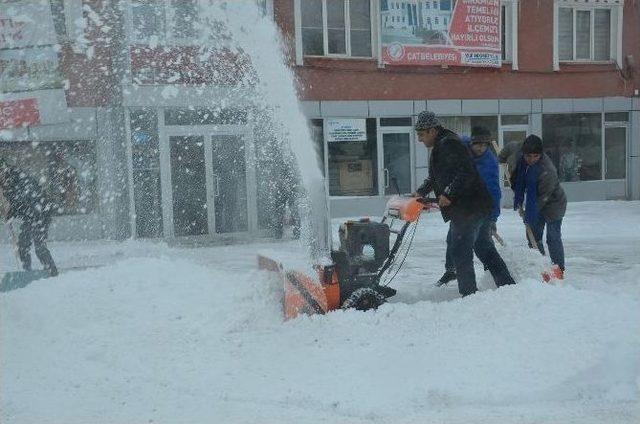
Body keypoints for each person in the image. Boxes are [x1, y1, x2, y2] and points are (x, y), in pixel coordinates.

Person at [414, 111, 515, 297]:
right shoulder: (442, 143)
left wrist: (448, 194)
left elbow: (466, 171)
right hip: (476, 206)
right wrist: (420, 192)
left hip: (469, 208)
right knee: (484, 248)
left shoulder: (449, 143)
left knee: (460, 250)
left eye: (421, 134)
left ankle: (469, 295)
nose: (419, 139)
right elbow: (437, 176)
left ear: (432, 130)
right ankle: (508, 285)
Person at [438, 126, 503, 286]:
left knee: (482, 244)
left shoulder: (489, 163)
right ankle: (451, 270)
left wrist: (493, 217)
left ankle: (495, 276)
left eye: (484, 145)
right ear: (471, 142)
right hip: (462, 207)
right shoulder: (461, 150)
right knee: (454, 240)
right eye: (477, 144)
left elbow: (494, 190)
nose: (480, 148)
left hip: (482, 207)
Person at [513, 135, 567, 277]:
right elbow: (510, 150)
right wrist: (517, 194)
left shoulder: (547, 170)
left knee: (552, 237)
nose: (531, 159)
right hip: (537, 200)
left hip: (554, 203)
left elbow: (542, 198)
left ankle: (558, 270)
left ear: (541, 154)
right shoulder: (523, 161)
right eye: (528, 156)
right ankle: (540, 266)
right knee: (533, 236)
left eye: (535, 156)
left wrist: (529, 214)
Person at [0, 158, 58, 276]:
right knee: (22, 246)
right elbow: (16, 202)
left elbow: (24, 199)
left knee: (39, 247)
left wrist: (12, 212)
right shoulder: (5, 182)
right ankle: (27, 273)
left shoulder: (19, 177)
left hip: (40, 214)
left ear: (4, 168)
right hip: (29, 216)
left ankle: (52, 273)